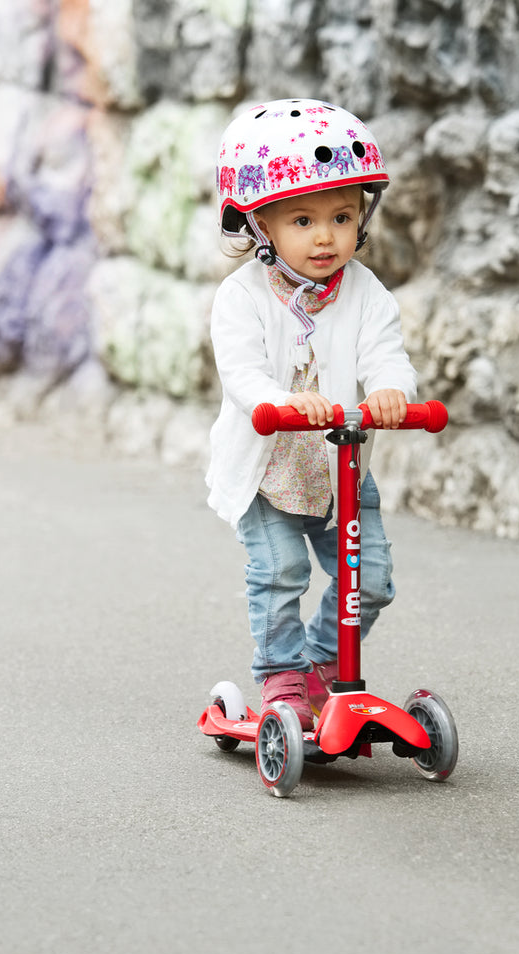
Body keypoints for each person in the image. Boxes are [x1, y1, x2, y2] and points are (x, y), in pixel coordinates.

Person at [205, 98, 416, 731]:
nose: (326, 237)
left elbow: (388, 356)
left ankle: (325, 667)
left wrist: (390, 393)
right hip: (270, 466)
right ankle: (282, 677)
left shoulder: (366, 291)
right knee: (281, 573)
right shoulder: (241, 297)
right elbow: (241, 373)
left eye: (342, 217)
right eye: (302, 219)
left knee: (370, 580)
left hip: (340, 466)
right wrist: (281, 402)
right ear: (261, 226)